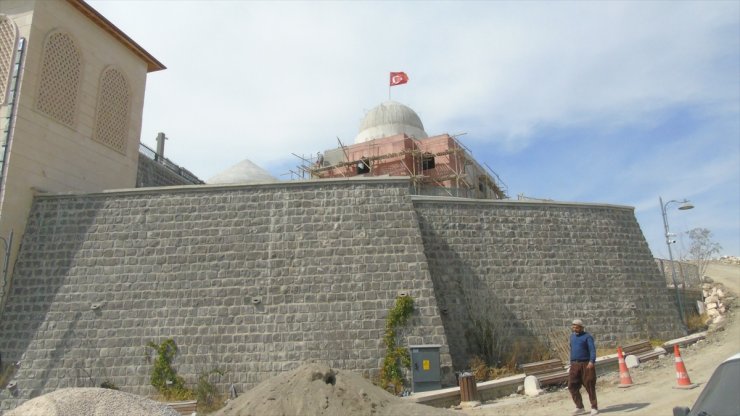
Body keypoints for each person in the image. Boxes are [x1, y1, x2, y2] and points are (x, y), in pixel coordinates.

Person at [569, 319, 598, 415]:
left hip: (586, 364)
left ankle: (594, 407)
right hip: (574, 365)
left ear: (581, 327)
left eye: (576, 327)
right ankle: (580, 407)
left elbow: (592, 350)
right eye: (573, 326)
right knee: (572, 386)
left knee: (589, 385)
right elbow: (572, 350)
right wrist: (571, 363)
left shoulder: (587, 337)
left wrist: (591, 361)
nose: (574, 328)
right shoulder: (572, 337)